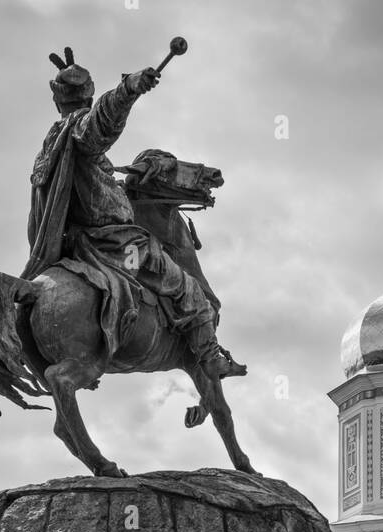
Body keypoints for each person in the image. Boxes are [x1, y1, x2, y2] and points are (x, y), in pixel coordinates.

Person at [23, 49, 245, 378]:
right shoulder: (78, 131)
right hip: (120, 244)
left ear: (58, 101)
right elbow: (100, 123)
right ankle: (210, 356)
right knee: (189, 290)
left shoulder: (50, 146)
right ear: (88, 96)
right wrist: (129, 88)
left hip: (77, 245)